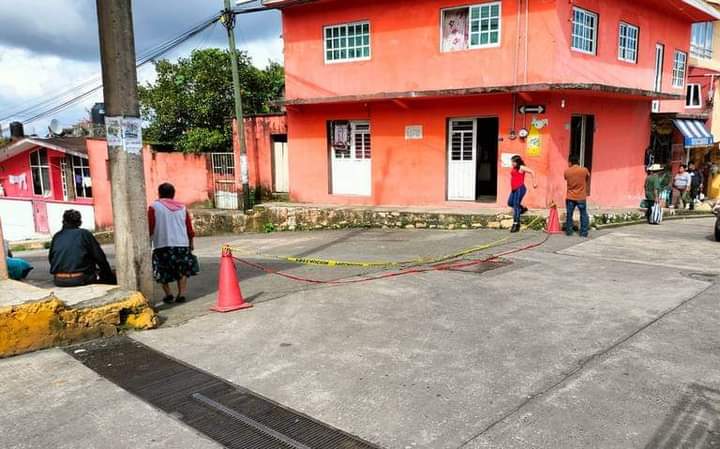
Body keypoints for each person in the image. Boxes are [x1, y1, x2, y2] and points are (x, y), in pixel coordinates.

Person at [148, 182, 198, 304]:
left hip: (162, 244)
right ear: (173, 194)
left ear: (159, 193)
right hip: (182, 244)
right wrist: (191, 242)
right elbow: (189, 228)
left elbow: (149, 227)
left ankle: (169, 294)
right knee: (182, 270)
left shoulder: (154, 207)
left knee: (161, 270)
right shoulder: (182, 208)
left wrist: (148, 243)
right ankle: (181, 294)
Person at [49, 209, 115, 287]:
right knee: (110, 278)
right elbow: (100, 258)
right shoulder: (84, 234)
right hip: (80, 278)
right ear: (79, 222)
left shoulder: (57, 236)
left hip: (59, 280)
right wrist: (109, 275)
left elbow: (51, 258)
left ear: (63, 222)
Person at [508, 155, 537, 233]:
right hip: (513, 189)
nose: (512, 163)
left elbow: (532, 172)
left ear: (517, 162)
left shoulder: (521, 167)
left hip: (520, 188)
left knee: (516, 206)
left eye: (513, 162)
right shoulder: (514, 168)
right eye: (512, 162)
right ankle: (523, 209)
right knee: (510, 203)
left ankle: (516, 224)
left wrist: (534, 183)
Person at [564, 156, 591, 237]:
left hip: (570, 197)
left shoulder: (567, 171)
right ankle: (583, 233)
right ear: (578, 162)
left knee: (569, 214)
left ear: (570, 162)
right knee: (583, 214)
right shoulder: (584, 170)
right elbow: (588, 177)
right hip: (581, 197)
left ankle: (569, 231)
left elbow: (566, 178)